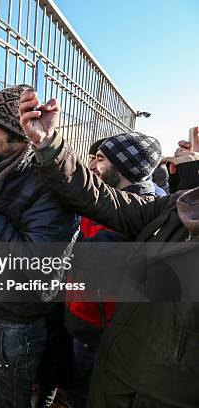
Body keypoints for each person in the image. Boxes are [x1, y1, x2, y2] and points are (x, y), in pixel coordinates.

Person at [19, 89, 199, 407]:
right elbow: (101, 200)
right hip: (113, 373)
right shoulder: (175, 206)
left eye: (101, 159)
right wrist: (48, 144)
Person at [0, 84, 77, 408]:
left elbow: (32, 261)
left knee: (7, 402)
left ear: (18, 133)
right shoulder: (1, 174)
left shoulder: (47, 185)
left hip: (16, 321)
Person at [63, 132, 162, 407]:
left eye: (101, 159)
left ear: (125, 168)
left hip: (99, 337)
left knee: (87, 398)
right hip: (86, 327)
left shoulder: (136, 216)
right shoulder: (112, 203)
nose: (92, 165)